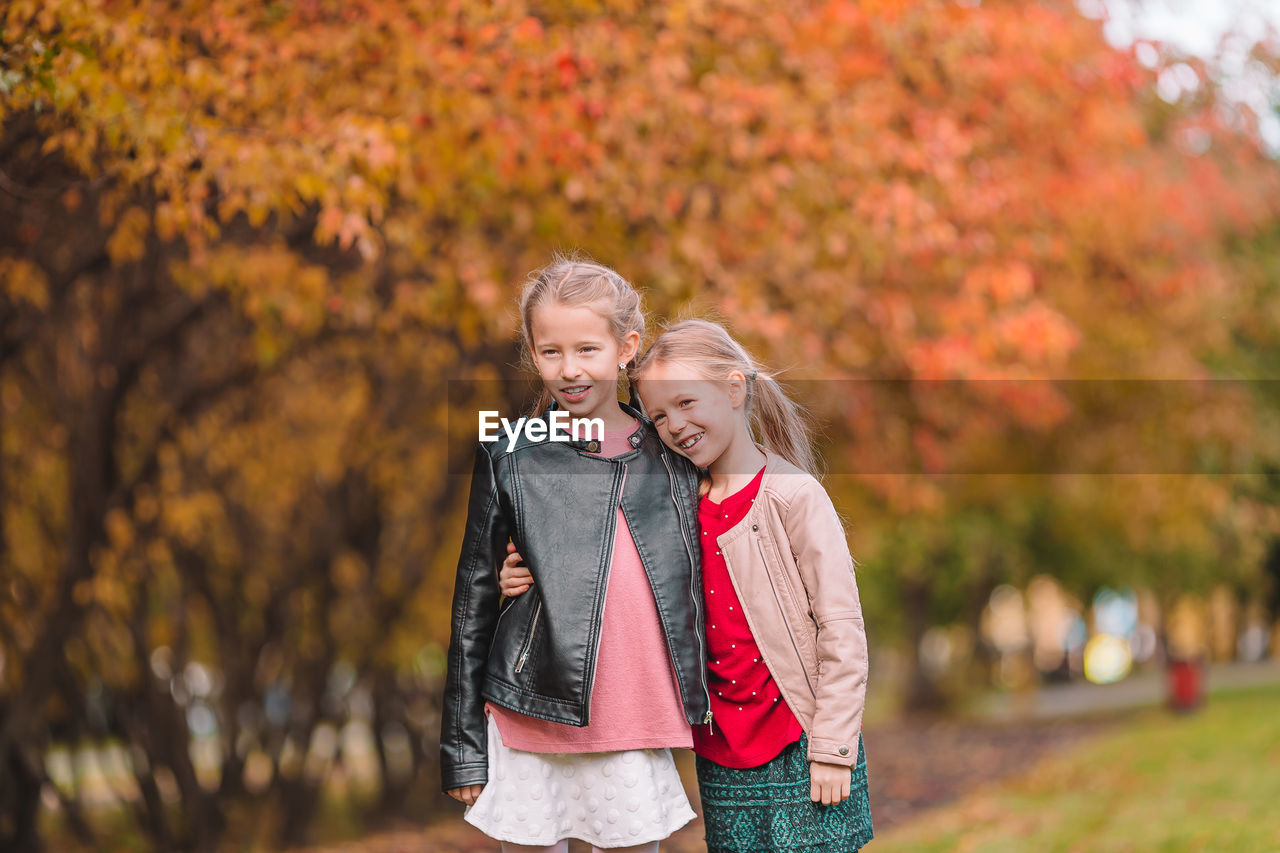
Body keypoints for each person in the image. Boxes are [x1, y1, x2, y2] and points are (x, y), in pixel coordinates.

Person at [501, 318, 874, 852]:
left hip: (801, 739)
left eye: (686, 403)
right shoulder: (674, 504)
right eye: (658, 415)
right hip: (721, 746)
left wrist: (834, 746)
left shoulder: (793, 495)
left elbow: (841, 630)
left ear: (733, 388)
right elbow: (606, 570)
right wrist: (524, 571)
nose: (674, 424)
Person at [441, 258, 712, 853]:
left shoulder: (675, 456)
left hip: (634, 715)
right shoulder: (509, 454)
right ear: (532, 353)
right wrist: (463, 748)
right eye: (550, 352)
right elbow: (474, 601)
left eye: (587, 349)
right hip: (530, 715)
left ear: (626, 348)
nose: (570, 370)